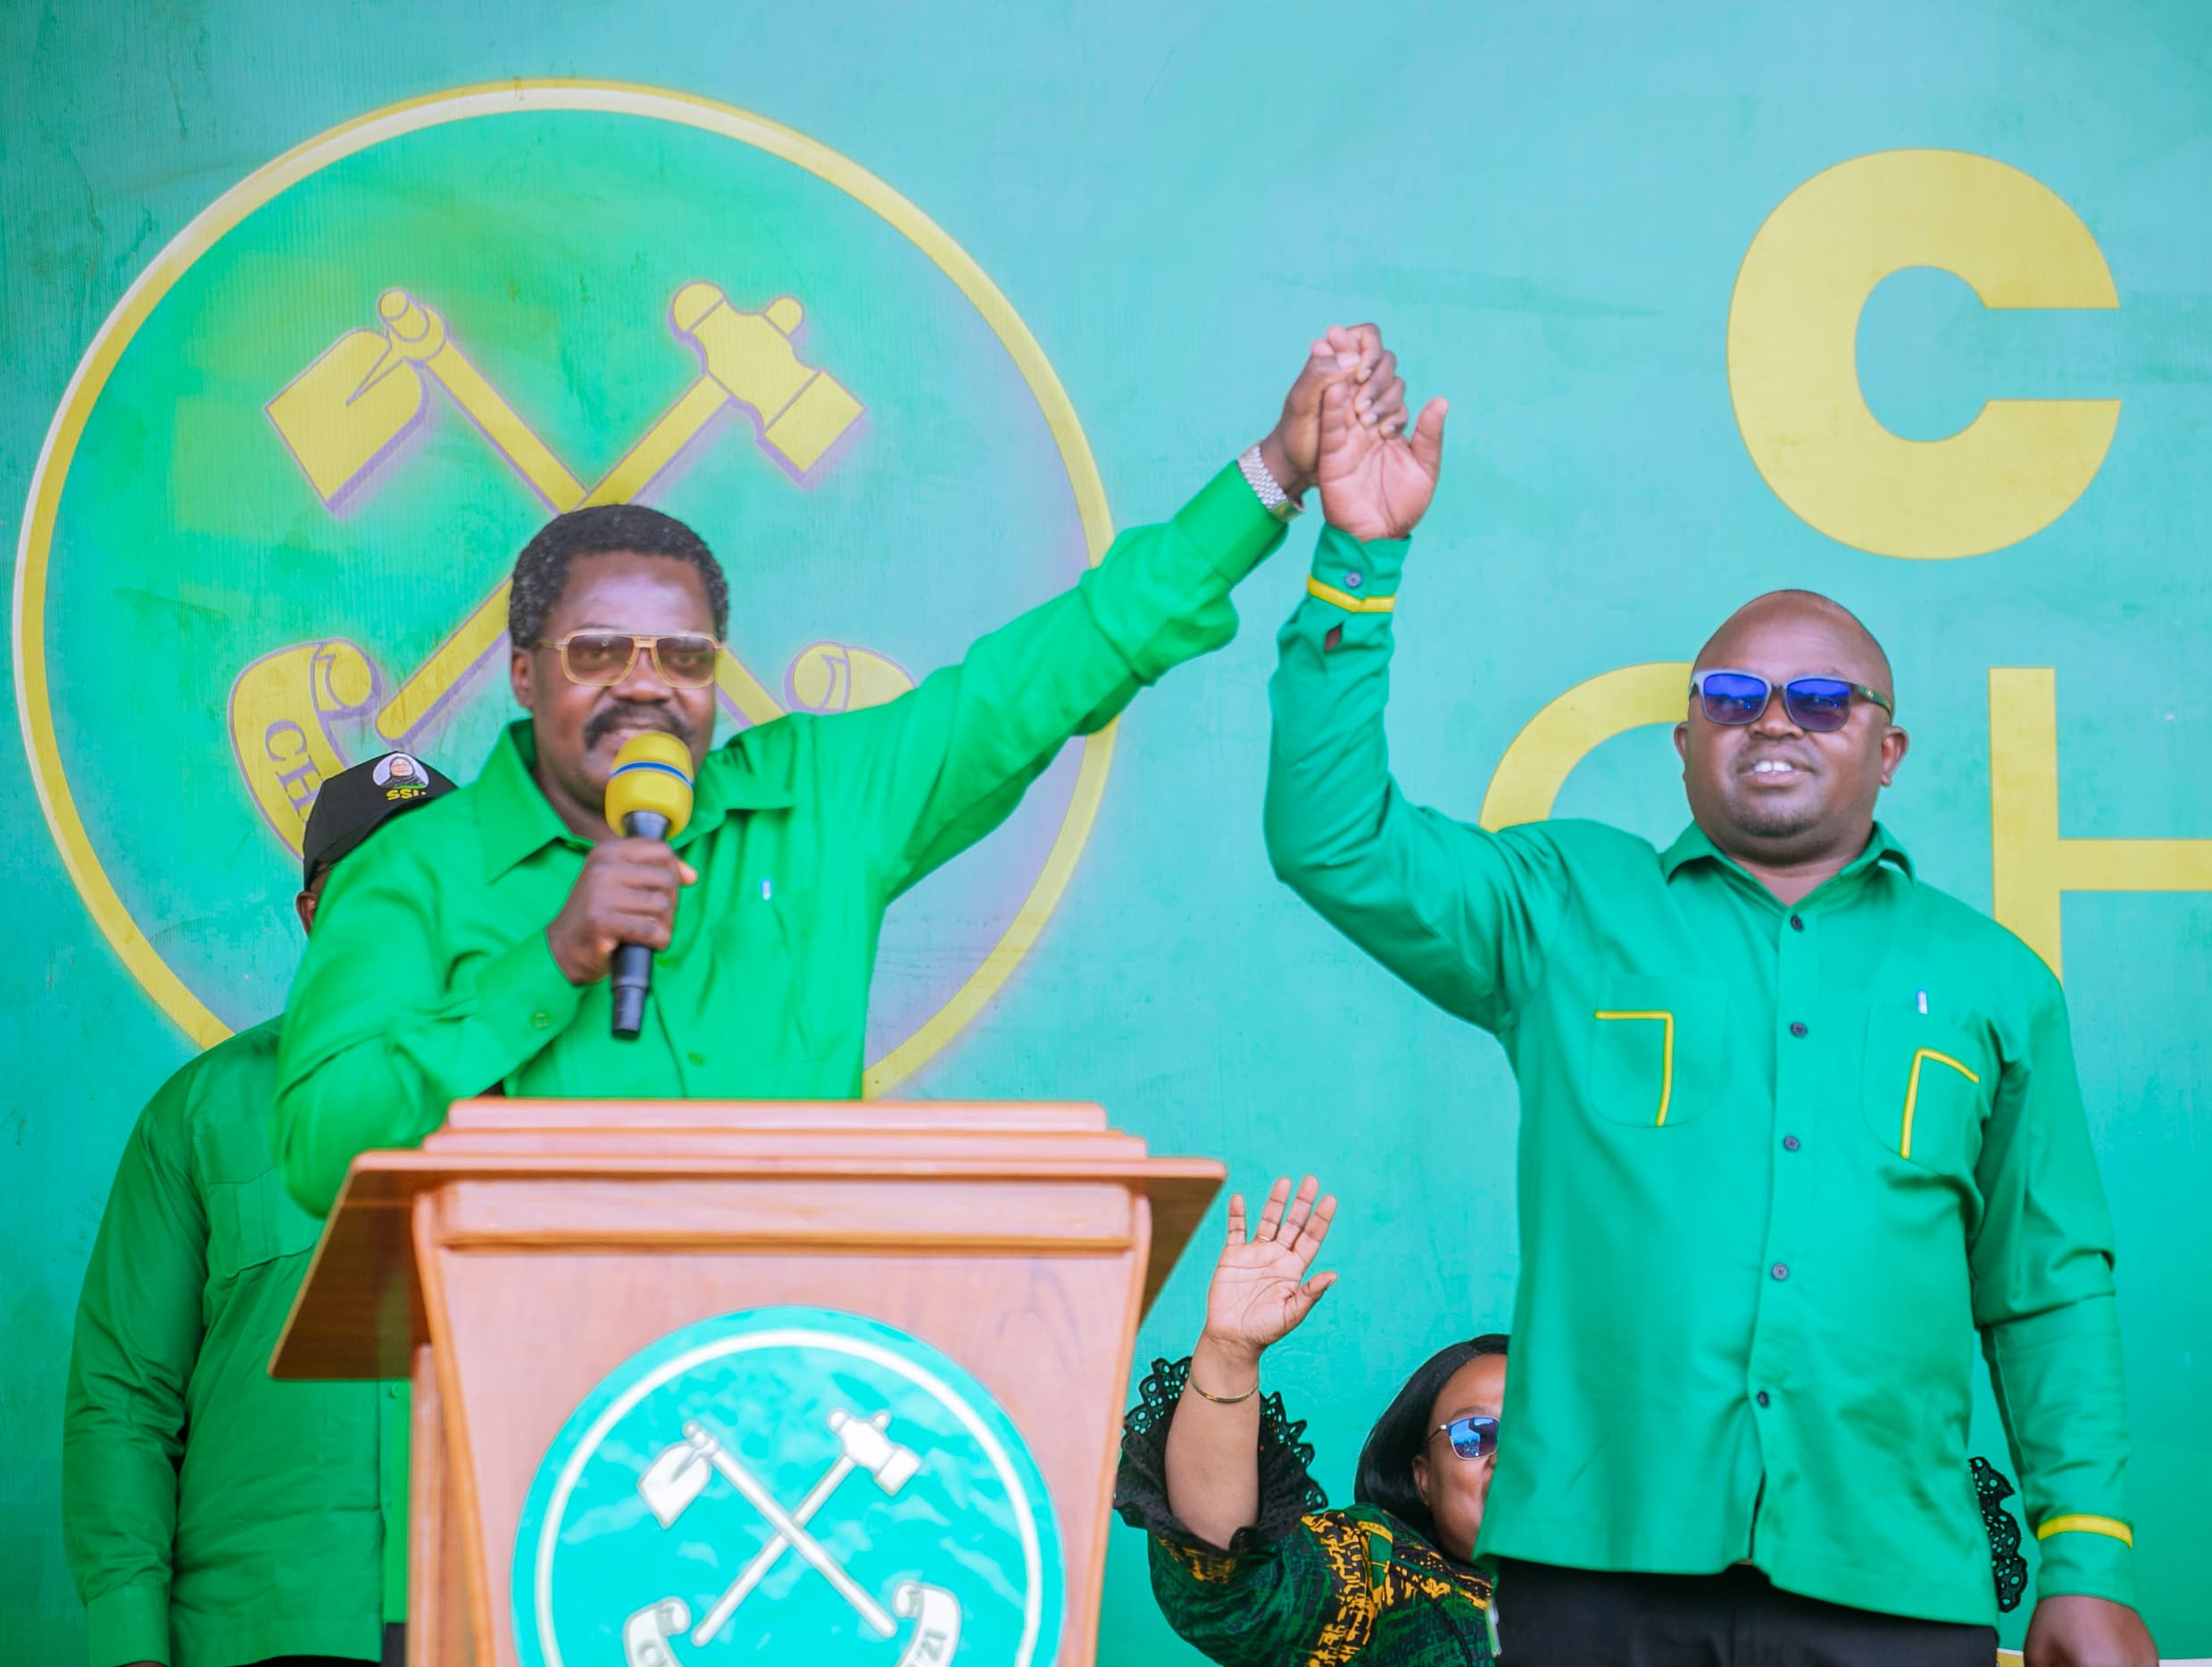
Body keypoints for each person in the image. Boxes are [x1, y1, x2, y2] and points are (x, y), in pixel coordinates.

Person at [1260, 337, 2158, 1667]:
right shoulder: (1563, 904)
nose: (1774, 719)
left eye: (1824, 700)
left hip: (1893, 1573)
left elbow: (2045, 1289)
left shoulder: (1992, 980)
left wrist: (2086, 1557)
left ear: (1889, 748)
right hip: (1598, 1564)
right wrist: (1360, 558)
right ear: (1685, 742)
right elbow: (1331, 838)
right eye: (1732, 697)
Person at [270, 333, 1413, 1214]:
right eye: (599, 651)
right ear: (523, 672)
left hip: (786, 1382)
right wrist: (555, 956)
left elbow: (1053, 667)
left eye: (684, 656)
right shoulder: (415, 870)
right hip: (533, 1406)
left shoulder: (815, 800)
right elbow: (321, 1150)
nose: (646, 684)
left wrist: (1277, 470)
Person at [63, 753, 455, 1667]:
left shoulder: (544, 1101)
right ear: (314, 914)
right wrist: (130, 1645)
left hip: (495, 1613)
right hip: (267, 1626)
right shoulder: (199, 1113)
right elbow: (123, 1403)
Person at [1114, 1175, 1504, 1665]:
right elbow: (1235, 1593)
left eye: (1535, 1436)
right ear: (1423, 1477)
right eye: (1475, 1434)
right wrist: (1229, 1354)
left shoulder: (1605, 1581)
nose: (1508, 1459)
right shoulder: (1381, 1575)